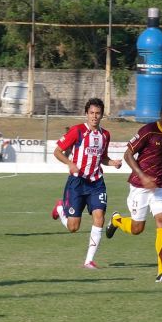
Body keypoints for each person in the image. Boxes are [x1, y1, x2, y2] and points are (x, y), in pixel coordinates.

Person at [104, 101, 162, 283]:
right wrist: (143, 177)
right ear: (161, 114)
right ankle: (117, 220)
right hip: (139, 185)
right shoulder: (148, 130)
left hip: (161, 186)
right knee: (137, 229)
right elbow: (128, 154)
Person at [50, 98, 122, 268]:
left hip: (96, 183)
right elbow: (57, 151)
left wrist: (113, 163)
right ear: (86, 114)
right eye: (91, 113)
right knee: (73, 227)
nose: (94, 116)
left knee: (99, 217)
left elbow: (103, 158)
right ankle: (60, 208)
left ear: (102, 115)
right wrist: (70, 163)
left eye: (98, 113)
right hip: (77, 182)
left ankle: (89, 260)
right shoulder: (77, 131)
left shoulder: (105, 135)